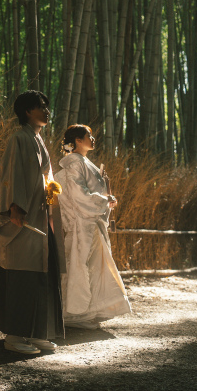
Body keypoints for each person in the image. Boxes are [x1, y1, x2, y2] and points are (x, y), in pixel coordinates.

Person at [0, 91, 64, 354]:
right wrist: (14, 207)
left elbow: (43, 176)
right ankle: (15, 335)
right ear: (26, 112)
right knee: (22, 274)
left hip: (40, 216)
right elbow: (10, 175)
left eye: (46, 106)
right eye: (40, 107)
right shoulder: (19, 138)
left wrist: (51, 190)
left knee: (42, 275)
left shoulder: (38, 140)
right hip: (25, 218)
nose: (47, 111)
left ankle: (36, 333)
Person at [53, 125, 131, 329]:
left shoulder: (85, 163)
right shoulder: (74, 163)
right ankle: (75, 315)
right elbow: (79, 194)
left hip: (91, 223)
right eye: (89, 135)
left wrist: (107, 199)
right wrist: (103, 201)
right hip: (81, 223)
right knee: (80, 267)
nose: (93, 138)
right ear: (78, 140)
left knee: (92, 267)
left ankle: (87, 312)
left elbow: (91, 193)